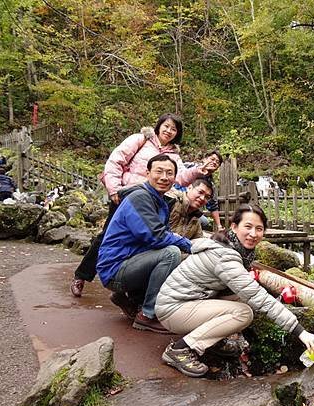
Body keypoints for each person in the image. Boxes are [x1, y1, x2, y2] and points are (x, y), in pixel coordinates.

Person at [154, 204, 314, 377]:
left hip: (191, 301)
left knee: (242, 299)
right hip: (173, 310)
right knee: (243, 313)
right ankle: (181, 349)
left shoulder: (234, 249)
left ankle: (212, 340)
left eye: (259, 229)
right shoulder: (224, 256)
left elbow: (247, 292)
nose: (253, 234)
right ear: (234, 227)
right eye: (248, 227)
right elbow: (258, 297)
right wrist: (301, 332)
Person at [70, 113, 212, 298]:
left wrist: (197, 171)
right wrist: (114, 189)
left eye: (174, 129)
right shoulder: (141, 140)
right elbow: (116, 161)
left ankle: (130, 284)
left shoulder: (173, 155)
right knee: (107, 236)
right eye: (166, 126)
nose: (169, 131)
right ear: (159, 126)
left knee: (146, 239)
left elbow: (180, 177)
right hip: (126, 195)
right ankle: (82, 276)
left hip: (156, 198)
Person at [97, 154, 192, 333]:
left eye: (169, 173)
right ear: (147, 173)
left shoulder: (159, 200)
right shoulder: (141, 198)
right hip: (115, 268)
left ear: (174, 178)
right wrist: (188, 244)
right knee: (171, 253)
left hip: (128, 262)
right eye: (159, 171)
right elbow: (156, 237)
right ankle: (147, 315)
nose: (164, 177)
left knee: (173, 253)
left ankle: (128, 298)